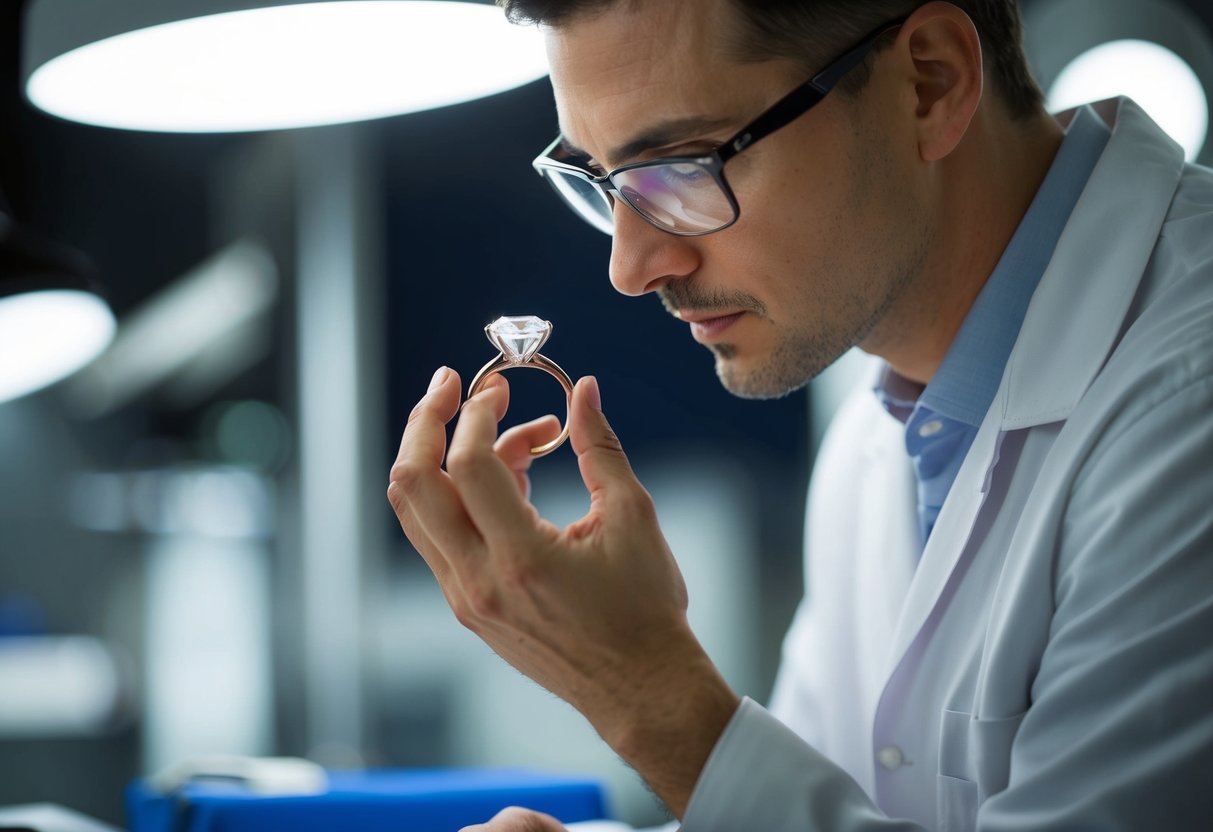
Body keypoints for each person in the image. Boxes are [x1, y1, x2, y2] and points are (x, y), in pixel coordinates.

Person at [386, 0, 1213, 828]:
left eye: (681, 168)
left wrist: (648, 693)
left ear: (930, 82)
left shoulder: (1188, 399)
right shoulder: (875, 421)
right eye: (603, 182)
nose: (631, 268)